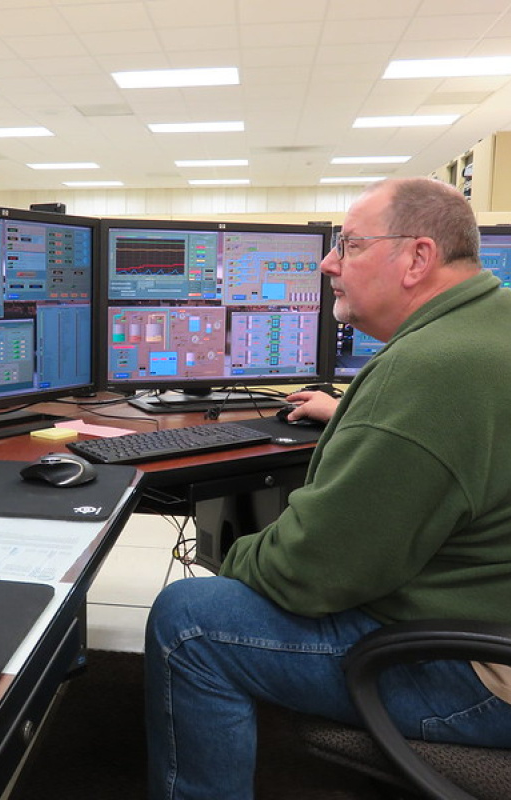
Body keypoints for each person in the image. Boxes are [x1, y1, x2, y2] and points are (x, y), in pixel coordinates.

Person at [145, 177, 511, 800]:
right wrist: (348, 412)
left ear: (418, 258)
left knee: (190, 619)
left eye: (350, 244)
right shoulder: (488, 326)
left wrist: (234, 559)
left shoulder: (431, 369)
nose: (327, 262)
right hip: (491, 619)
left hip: (479, 681)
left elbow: (314, 574)